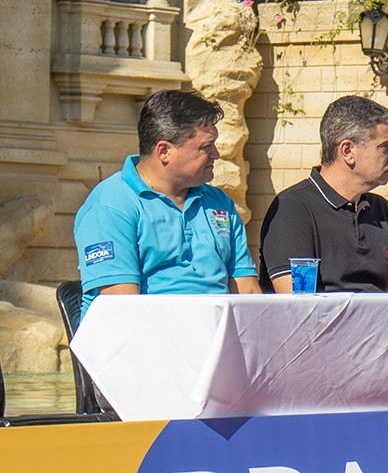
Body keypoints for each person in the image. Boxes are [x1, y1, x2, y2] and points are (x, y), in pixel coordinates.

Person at [74, 90, 259, 317]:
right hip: (144, 343)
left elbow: (247, 291)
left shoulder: (219, 203)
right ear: (164, 151)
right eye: (205, 147)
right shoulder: (111, 205)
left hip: (216, 340)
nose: (216, 154)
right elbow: (121, 310)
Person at [258, 95, 388, 293]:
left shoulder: (382, 210)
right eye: (385, 147)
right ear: (347, 151)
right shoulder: (292, 208)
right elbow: (298, 308)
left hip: (384, 323)